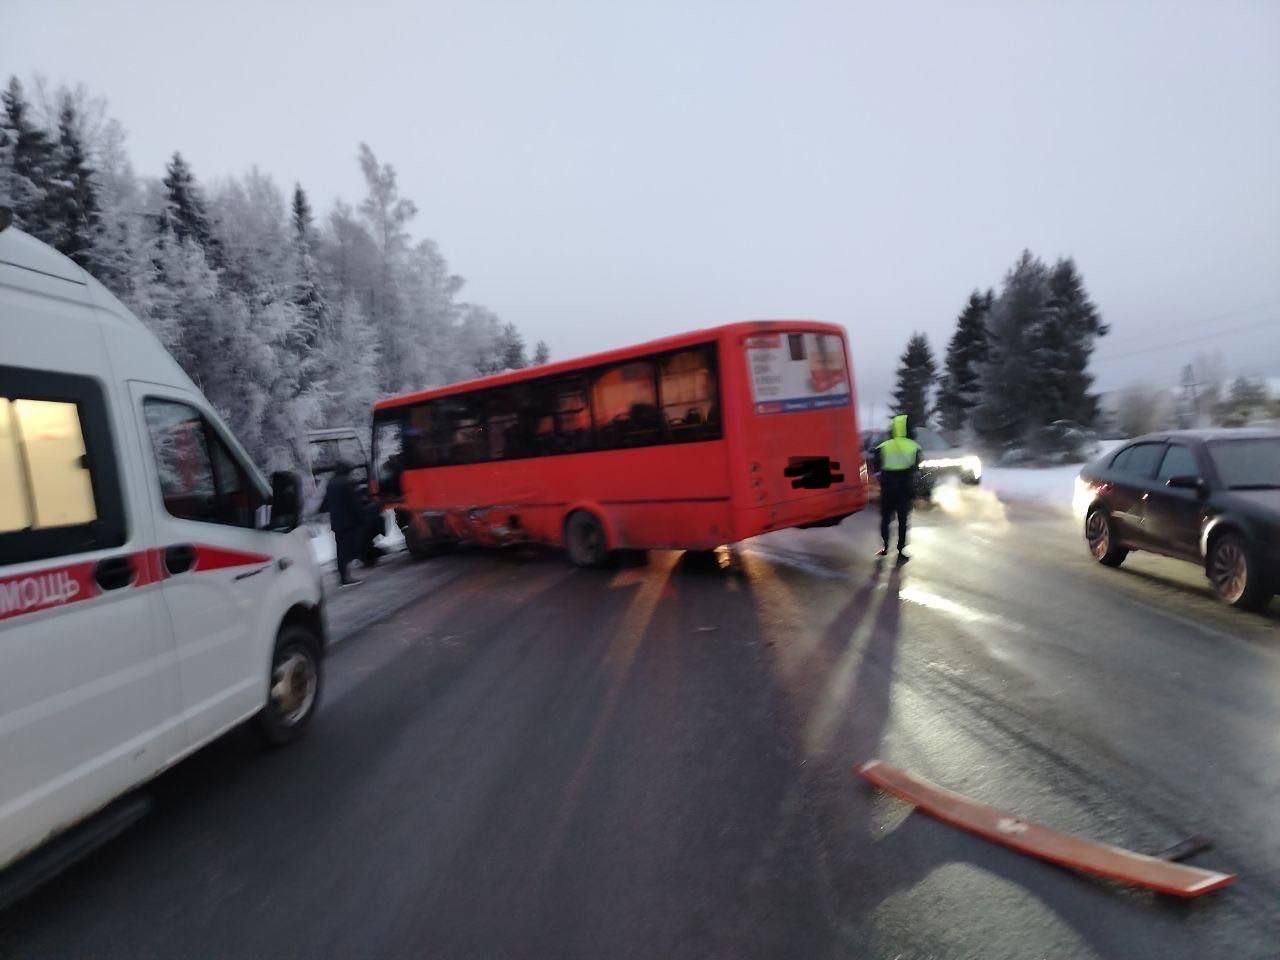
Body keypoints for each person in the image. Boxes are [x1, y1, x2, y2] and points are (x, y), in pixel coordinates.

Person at [872, 414, 922, 563]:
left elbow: (876, 466)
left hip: (888, 487)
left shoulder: (883, 446)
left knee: (886, 519)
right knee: (903, 520)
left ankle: (885, 546)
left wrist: (882, 478)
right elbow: (916, 467)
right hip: (905, 488)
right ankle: (901, 550)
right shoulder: (914, 447)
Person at [321, 462, 364, 586]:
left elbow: (325, 503)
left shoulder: (330, 483)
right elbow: (354, 502)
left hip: (336, 522)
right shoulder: (347, 483)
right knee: (349, 548)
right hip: (349, 522)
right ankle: (347, 577)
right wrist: (360, 517)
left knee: (340, 549)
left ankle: (343, 576)